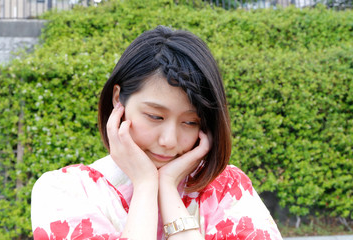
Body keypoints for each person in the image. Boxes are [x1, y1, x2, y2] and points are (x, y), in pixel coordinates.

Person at [31, 26, 283, 240]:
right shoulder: (66, 191)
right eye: (155, 116)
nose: (169, 140)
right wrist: (145, 184)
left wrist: (168, 189)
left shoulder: (226, 187)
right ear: (118, 100)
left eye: (190, 122)